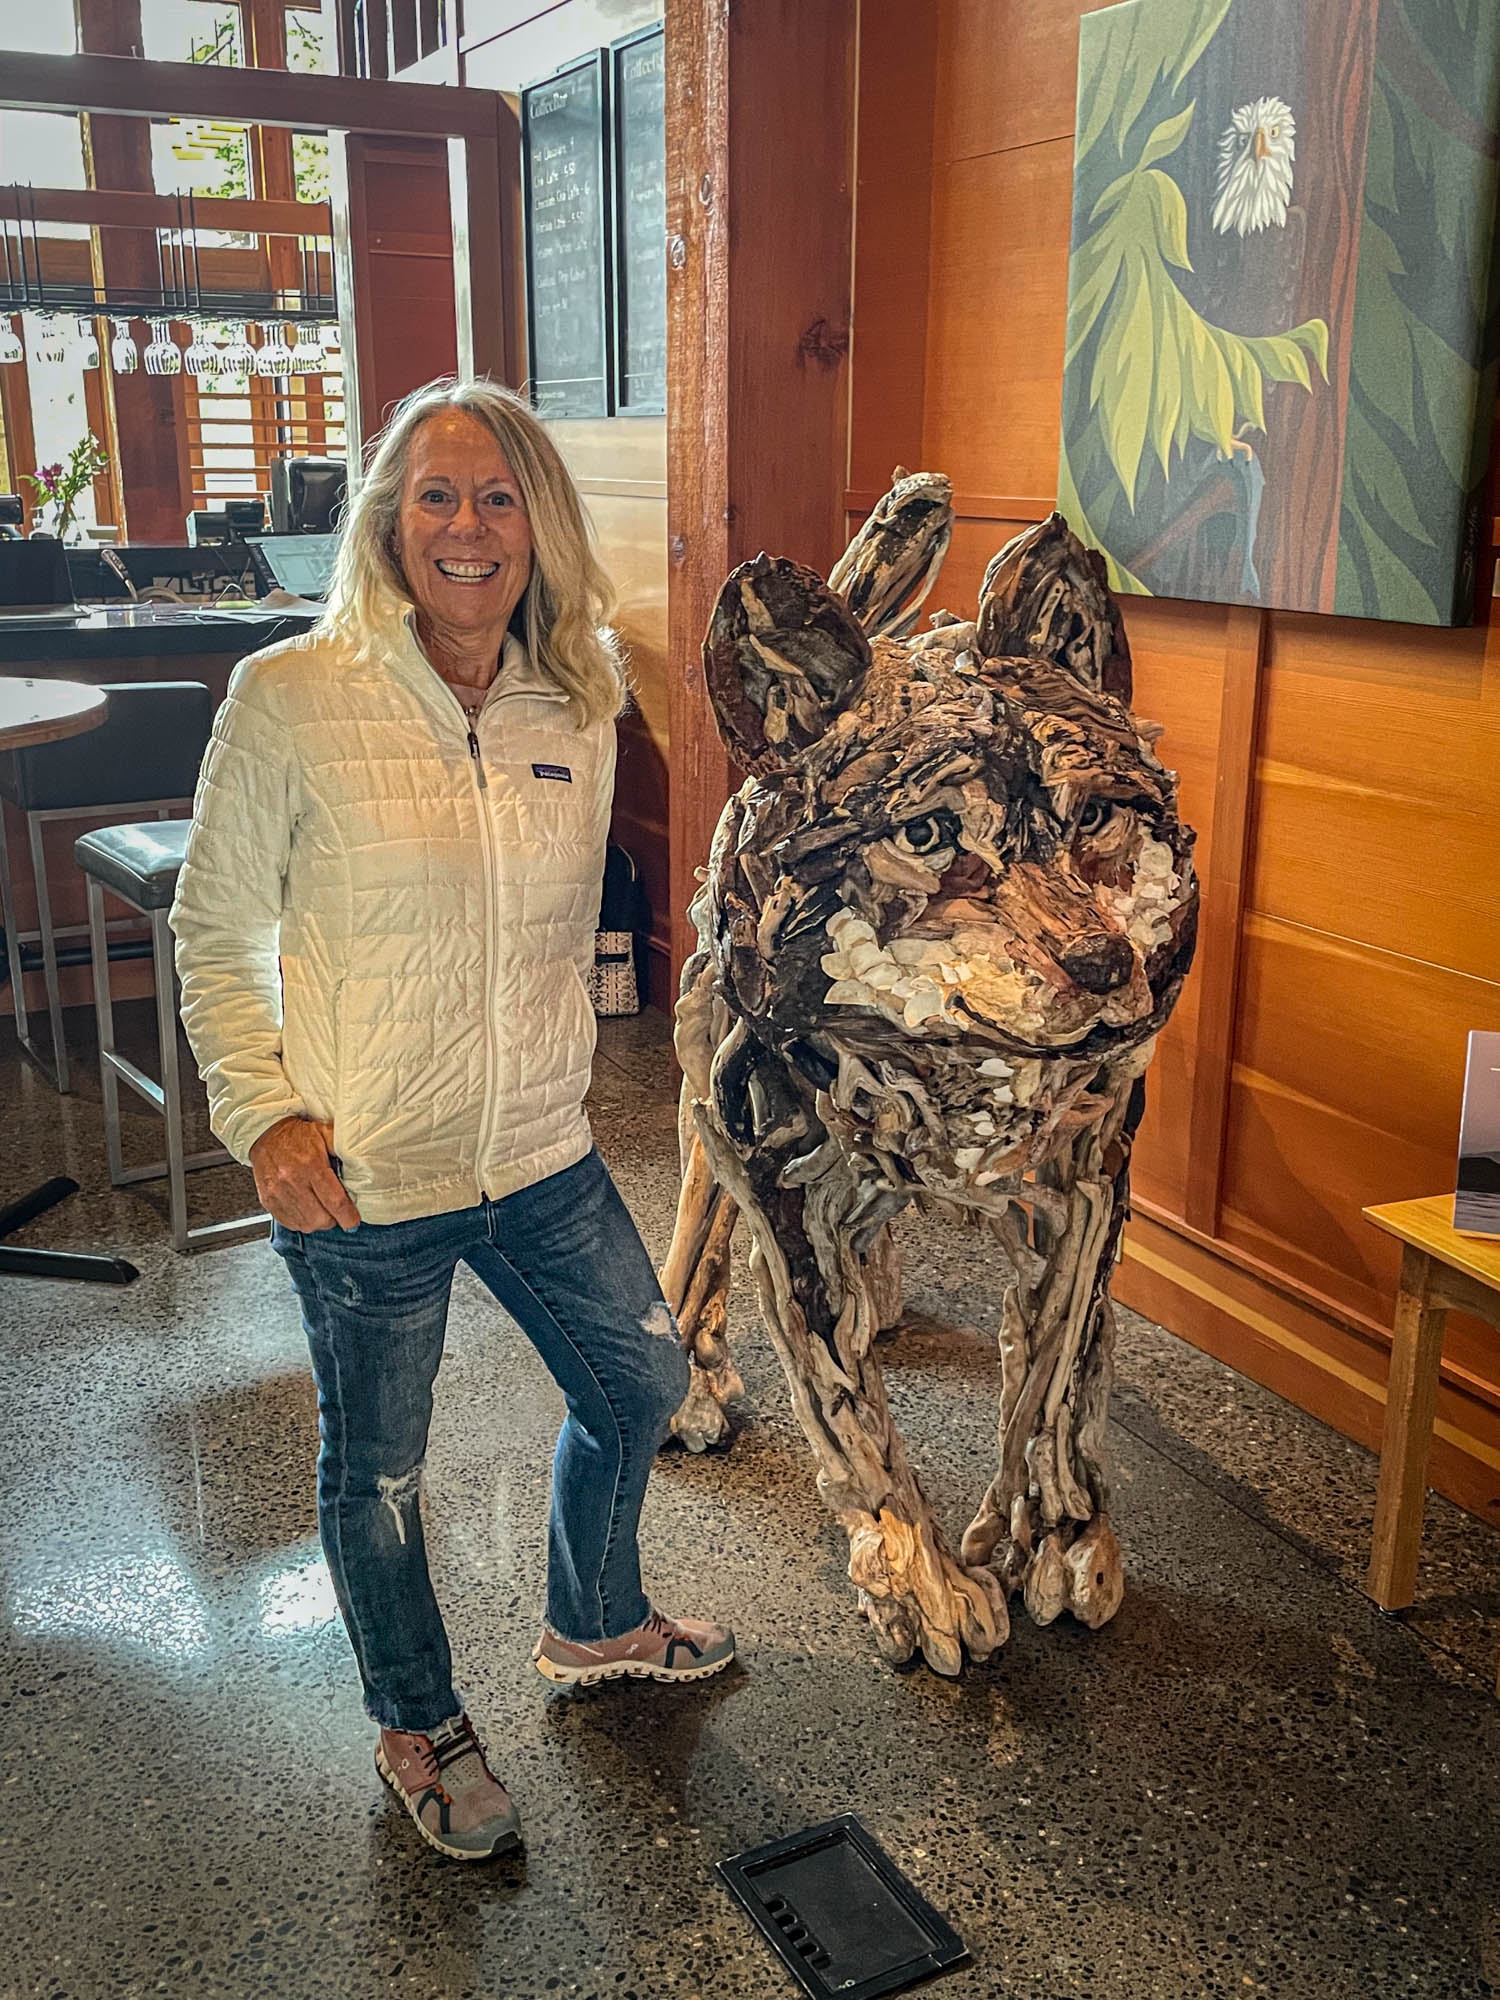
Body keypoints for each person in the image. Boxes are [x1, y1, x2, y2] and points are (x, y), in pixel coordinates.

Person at [171, 377, 733, 1863]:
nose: (466, 528)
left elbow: (558, 932)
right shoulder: (290, 696)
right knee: (382, 1475)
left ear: (538, 528)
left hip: (541, 1146)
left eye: (498, 498)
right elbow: (215, 931)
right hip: (367, 1171)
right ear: (386, 520)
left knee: (641, 1385)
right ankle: (418, 1722)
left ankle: (593, 1622)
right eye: (435, 495)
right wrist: (264, 1117)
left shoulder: (582, 700)